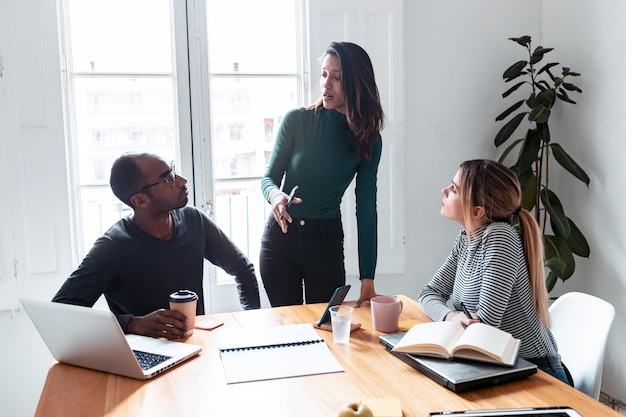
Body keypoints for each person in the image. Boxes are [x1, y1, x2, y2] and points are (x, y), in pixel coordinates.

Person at [53, 152, 260, 339]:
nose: (182, 180)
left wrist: (252, 324)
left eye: (174, 171)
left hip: (197, 349)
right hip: (140, 359)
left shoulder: (194, 220)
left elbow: (243, 269)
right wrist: (133, 323)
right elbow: (61, 313)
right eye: (168, 179)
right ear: (140, 200)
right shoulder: (112, 247)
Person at [418, 159, 573, 385]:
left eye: (453, 189)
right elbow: (428, 293)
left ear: (477, 211)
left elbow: (486, 325)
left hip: (536, 371)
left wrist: (460, 322)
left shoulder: (500, 237)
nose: (444, 191)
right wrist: (453, 317)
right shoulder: (467, 237)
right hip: (497, 366)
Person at [260, 41, 384, 308]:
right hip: (281, 240)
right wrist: (276, 196)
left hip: (325, 244)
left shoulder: (369, 140)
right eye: (324, 74)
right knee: (288, 333)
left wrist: (368, 279)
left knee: (327, 333)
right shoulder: (296, 120)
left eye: (337, 77)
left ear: (357, 83)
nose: (326, 84)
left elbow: (366, 210)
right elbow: (268, 178)